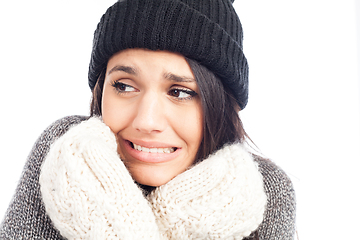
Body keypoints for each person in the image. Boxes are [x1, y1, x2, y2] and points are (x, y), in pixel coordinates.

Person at [0, 0, 296, 239]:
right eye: (124, 86)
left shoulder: (264, 191)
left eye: (180, 92)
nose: (147, 120)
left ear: (223, 103)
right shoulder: (70, 155)